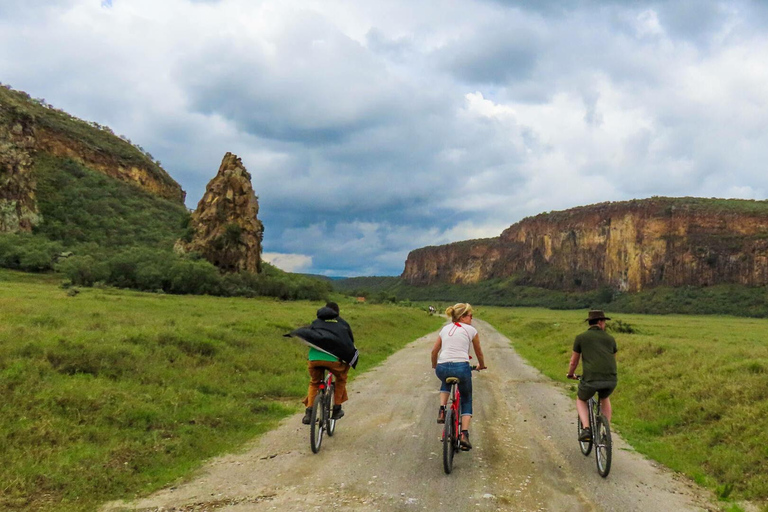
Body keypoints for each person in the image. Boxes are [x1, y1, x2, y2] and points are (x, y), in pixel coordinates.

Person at [286, 302, 359, 425]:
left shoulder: (315, 323)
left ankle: (309, 412)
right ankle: (336, 409)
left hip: (314, 360)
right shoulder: (343, 324)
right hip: (334, 361)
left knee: (314, 382)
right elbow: (349, 343)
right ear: (337, 313)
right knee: (341, 379)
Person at [431, 303, 486, 451]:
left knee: (445, 380)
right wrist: (481, 365)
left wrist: (435, 366)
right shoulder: (471, 330)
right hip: (462, 367)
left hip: (442, 366)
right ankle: (464, 434)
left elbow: (434, 351)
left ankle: (442, 410)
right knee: (466, 398)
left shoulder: (445, 329)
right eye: (469, 315)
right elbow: (479, 352)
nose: (471, 318)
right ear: (462, 317)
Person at [566, 310, 618, 442]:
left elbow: (574, 361)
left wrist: (571, 374)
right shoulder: (610, 338)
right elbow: (613, 359)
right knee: (605, 397)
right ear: (600, 322)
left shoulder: (581, 337)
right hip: (611, 379)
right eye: (604, 322)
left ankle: (587, 429)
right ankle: (606, 433)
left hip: (591, 379)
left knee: (581, 399)